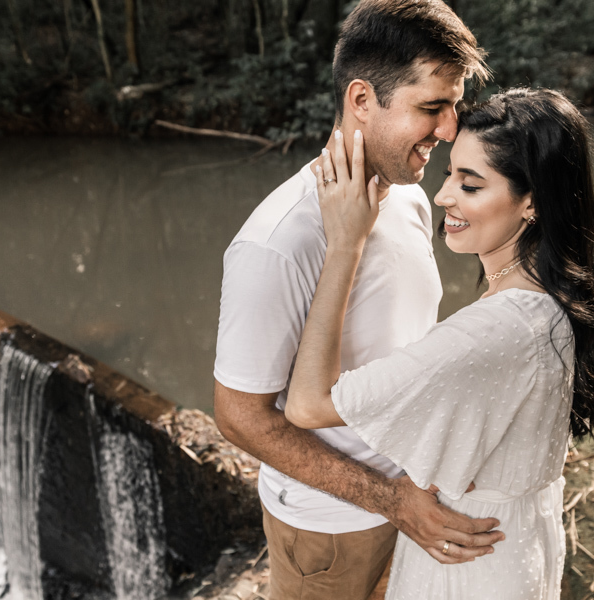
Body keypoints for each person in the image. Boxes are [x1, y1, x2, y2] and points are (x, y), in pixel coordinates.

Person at [214, 1, 503, 598]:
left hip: (415, 501)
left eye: (453, 107)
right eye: (432, 107)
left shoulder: (409, 195)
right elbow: (239, 417)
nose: (450, 130)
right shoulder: (277, 244)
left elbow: (406, 351)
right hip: (330, 530)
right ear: (362, 101)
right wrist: (388, 499)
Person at [285, 87, 594, 599]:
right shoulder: (554, 298)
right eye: (449, 175)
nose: (444, 197)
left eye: (471, 184)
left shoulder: (494, 330)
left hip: (470, 572)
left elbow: (309, 405)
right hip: (516, 551)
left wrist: (345, 245)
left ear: (532, 200)